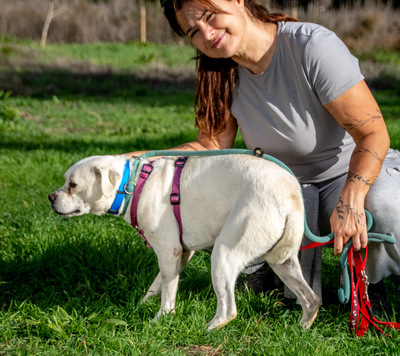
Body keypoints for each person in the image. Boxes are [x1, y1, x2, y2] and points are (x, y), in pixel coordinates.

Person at [128, 0, 400, 313]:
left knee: (387, 206)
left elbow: (373, 133)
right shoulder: (220, 72)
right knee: (281, 286)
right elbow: (210, 146)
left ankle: (371, 281)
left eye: (209, 15)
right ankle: (263, 266)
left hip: (350, 172)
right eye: (193, 31)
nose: (206, 32)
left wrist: (352, 197)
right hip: (282, 186)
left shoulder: (312, 46)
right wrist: (131, 161)